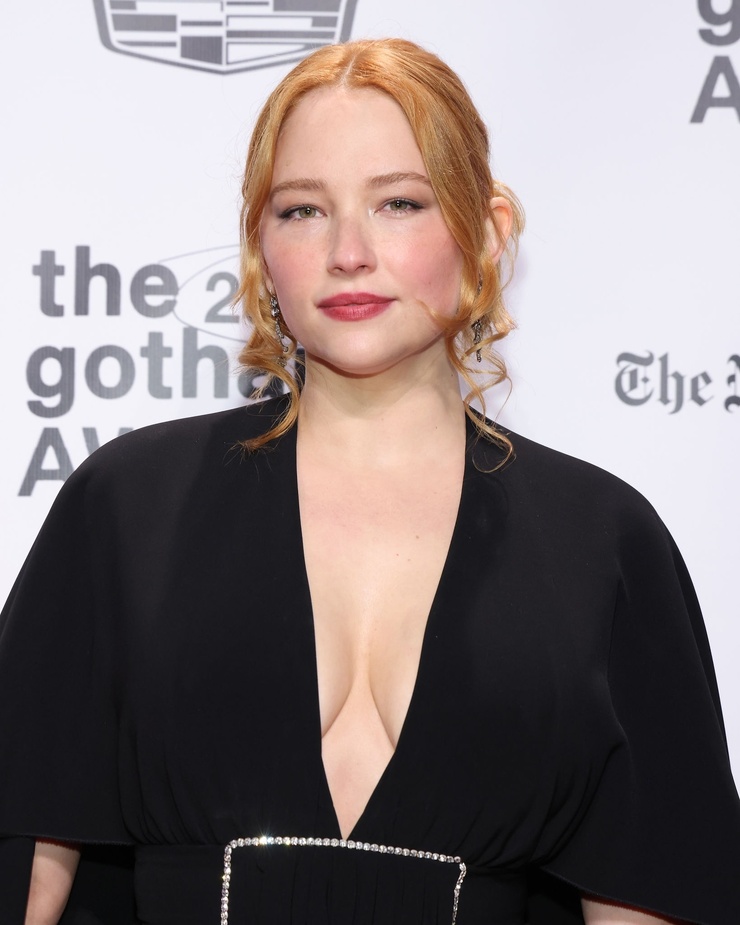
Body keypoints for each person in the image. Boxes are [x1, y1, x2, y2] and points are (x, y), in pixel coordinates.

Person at [1, 37, 740, 925]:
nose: (348, 252)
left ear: (486, 231)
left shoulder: (603, 543)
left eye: (399, 203)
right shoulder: (127, 509)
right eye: (303, 210)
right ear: (260, 244)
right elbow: (26, 873)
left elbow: (652, 894)